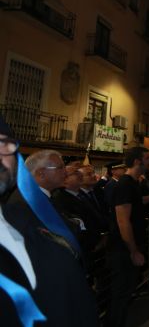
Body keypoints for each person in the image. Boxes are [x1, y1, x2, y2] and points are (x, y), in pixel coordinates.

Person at [0, 113, 98, 326]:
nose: (67, 171)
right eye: (60, 167)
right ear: (41, 174)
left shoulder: (31, 205)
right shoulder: (22, 207)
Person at [106, 146, 149, 327]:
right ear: (137, 162)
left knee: (126, 293)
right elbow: (123, 221)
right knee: (120, 294)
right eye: (147, 158)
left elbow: (138, 202)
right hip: (122, 250)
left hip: (128, 248)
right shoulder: (124, 184)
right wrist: (133, 251)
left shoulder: (133, 183)